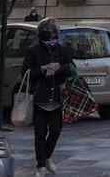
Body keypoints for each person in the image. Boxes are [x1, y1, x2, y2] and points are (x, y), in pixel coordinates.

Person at [21, 18, 75, 177]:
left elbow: (72, 69)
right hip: (40, 98)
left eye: (53, 32)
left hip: (58, 98)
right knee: (39, 132)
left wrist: (59, 68)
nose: (51, 36)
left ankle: (47, 157)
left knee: (56, 130)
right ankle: (41, 166)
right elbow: (25, 72)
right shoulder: (34, 51)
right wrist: (44, 69)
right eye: (48, 32)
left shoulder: (63, 50)